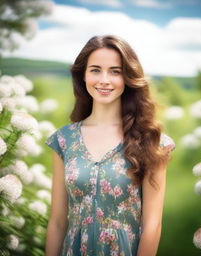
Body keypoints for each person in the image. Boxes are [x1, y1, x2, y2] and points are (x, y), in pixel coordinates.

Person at [45, 34, 175, 256]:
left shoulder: (152, 141)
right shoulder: (63, 140)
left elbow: (152, 225)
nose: (104, 80)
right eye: (95, 70)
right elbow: (57, 222)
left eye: (115, 71)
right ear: (83, 75)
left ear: (128, 78)